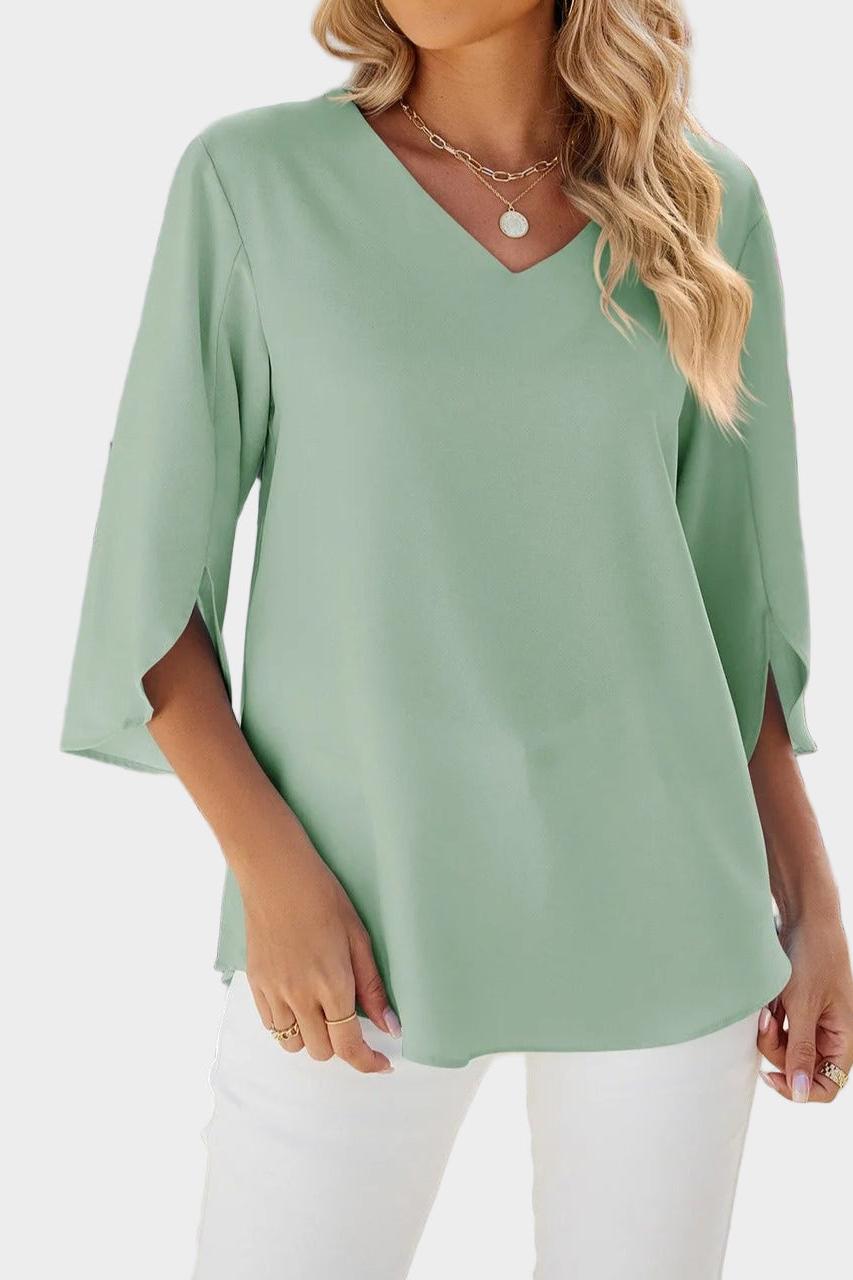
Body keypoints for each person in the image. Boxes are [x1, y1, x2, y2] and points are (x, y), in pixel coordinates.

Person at [61, 2, 852, 1276]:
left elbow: (736, 600)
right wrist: (274, 878)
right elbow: (151, 596)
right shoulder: (253, 181)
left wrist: (810, 903)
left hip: (667, 907)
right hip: (358, 916)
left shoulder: (703, 205)